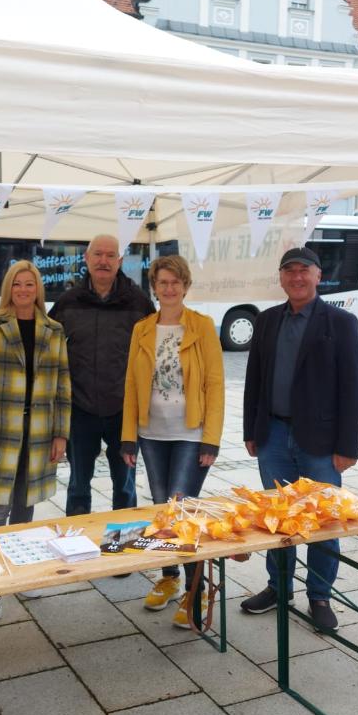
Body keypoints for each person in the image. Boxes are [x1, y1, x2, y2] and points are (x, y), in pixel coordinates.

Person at [240, 246, 358, 632]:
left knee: (323, 521)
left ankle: (320, 595)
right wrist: (251, 430)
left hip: (322, 442)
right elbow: (254, 379)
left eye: (304, 270)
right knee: (278, 519)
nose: (296, 277)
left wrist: (348, 447)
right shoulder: (267, 321)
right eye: (289, 270)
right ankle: (278, 588)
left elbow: (354, 389)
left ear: (317, 276)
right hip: (273, 435)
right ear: (281, 277)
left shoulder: (341, 323)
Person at [120, 255, 224, 628]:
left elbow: (215, 384)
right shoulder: (142, 329)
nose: (169, 289)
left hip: (190, 434)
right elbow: (132, 384)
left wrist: (211, 439)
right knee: (162, 510)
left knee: (181, 511)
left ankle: (196, 591)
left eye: (175, 282)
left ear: (185, 286)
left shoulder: (202, 326)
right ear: (154, 287)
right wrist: (128, 437)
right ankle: (169, 577)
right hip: (152, 434)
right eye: (162, 282)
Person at [0, 260, 71, 621]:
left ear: (38, 289)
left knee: (26, 505)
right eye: (17, 284)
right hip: (2, 429)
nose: (24, 290)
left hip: (40, 431)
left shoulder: (53, 330)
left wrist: (61, 433)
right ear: (8, 288)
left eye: (30, 284)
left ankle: (21, 572)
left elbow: (63, 385)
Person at [49, 234, 154, 518]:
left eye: (110, 255)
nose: (103, 261)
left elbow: (152, 356)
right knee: (78, 486)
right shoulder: (68, 302)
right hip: (80, 409)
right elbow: (49, 351)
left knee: (125, 486)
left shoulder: (139, 303)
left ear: (120, 261)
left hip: (124, 410)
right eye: (97, 254)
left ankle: (124, 542)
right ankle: (79, 540)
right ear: (86, 258)